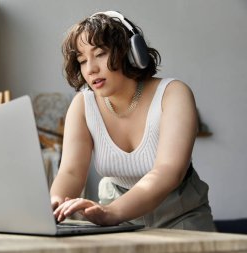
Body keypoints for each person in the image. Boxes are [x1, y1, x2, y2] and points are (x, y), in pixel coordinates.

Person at [50, 11, 215, 231]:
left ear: (131, 52)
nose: (90, 69)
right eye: (82, 60)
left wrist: (112, 212)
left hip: (180, 213)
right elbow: (70, 172)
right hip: (114, 215)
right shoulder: (82, 105)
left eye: (99, 54)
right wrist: (55, 203)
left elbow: (168, 171)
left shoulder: (174, 93)